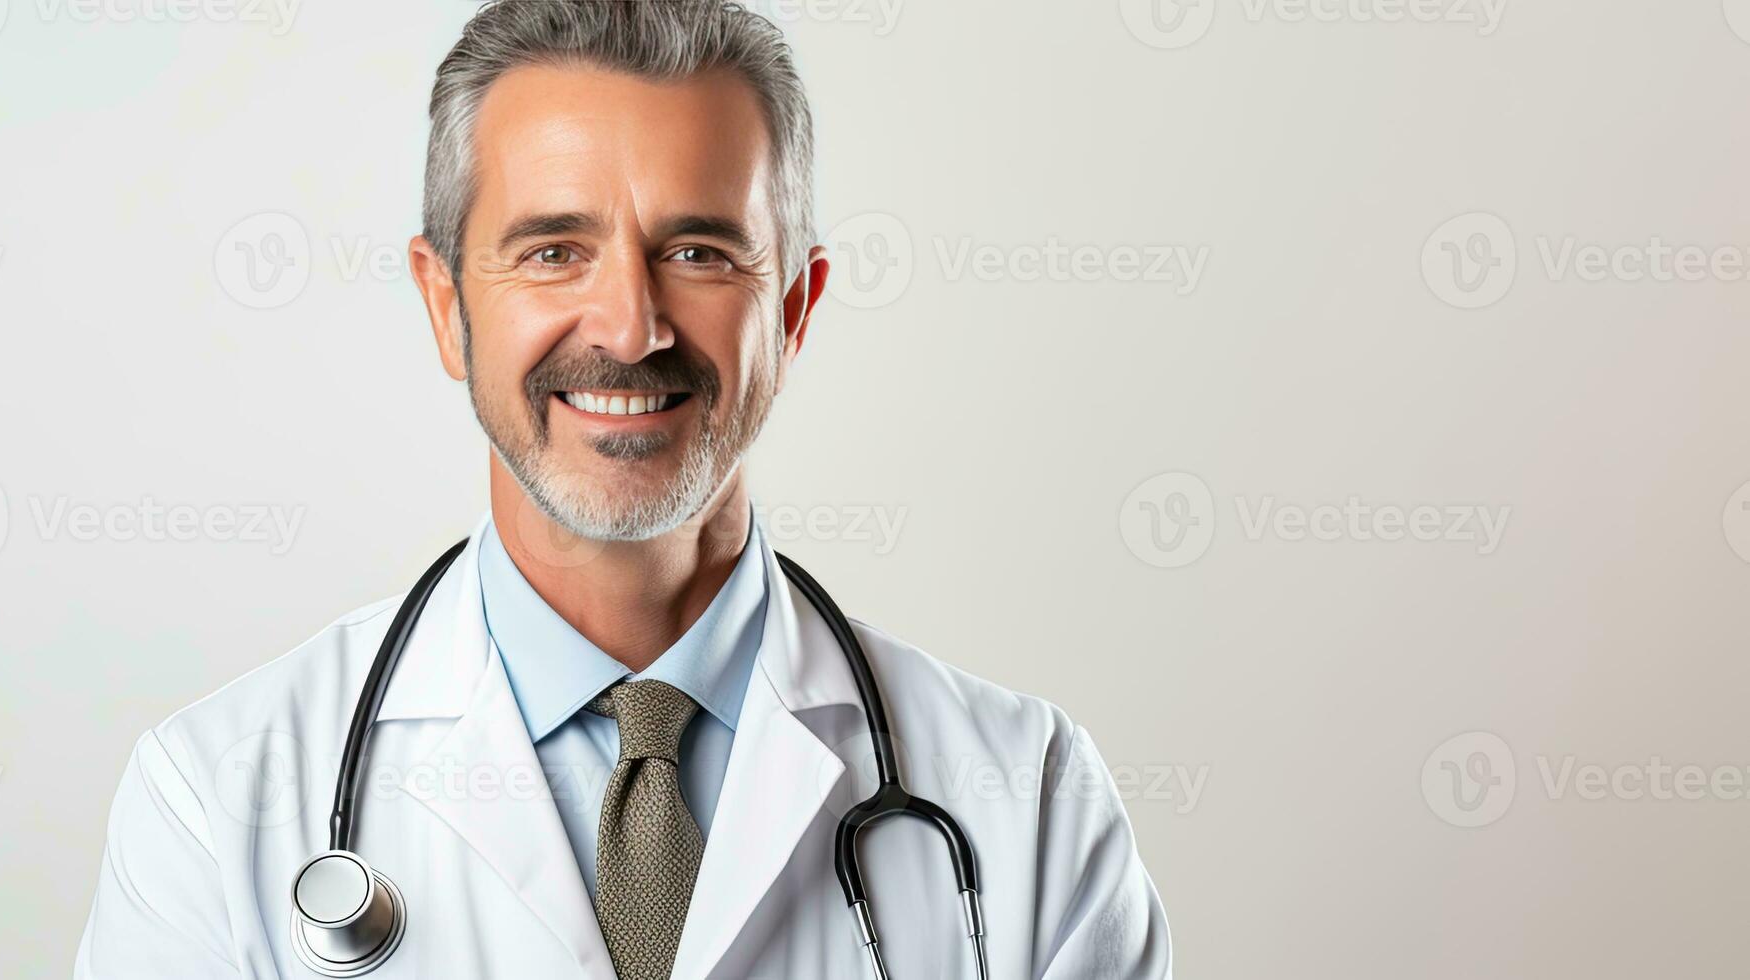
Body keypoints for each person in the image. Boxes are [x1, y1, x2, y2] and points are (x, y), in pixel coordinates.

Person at [75, 2, 1171, 977]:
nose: (629, 328)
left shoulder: (1022, 795)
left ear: (792, 309)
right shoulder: (218, 802)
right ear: (445, 305)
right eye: (553, 251)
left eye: (695, 251)